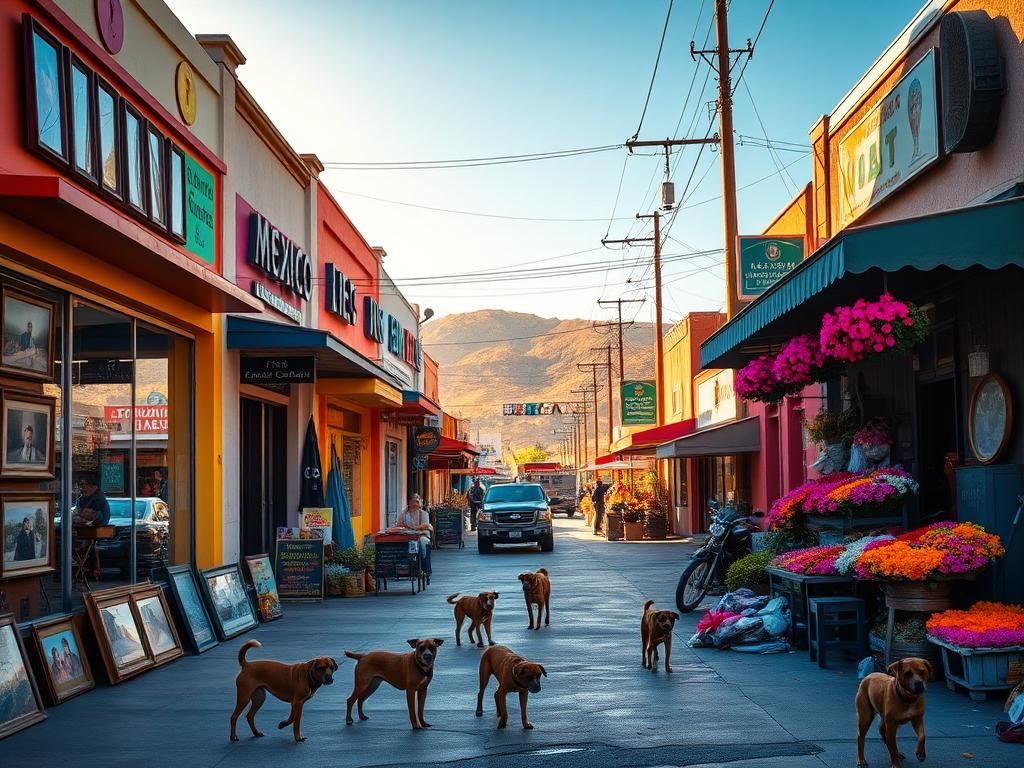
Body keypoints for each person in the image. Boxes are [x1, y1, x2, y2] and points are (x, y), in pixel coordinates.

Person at [398, 495, 432, 575]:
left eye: (417, 502)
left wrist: (414, 528)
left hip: (422, 535)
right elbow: (399, 524)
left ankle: (424, 568)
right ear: (409, 503)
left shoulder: (424, 514)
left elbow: (425, 525)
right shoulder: (403, 514)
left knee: (422, 543)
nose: (415, 504)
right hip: (407, 535)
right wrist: (403, 527)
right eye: (413, 502)